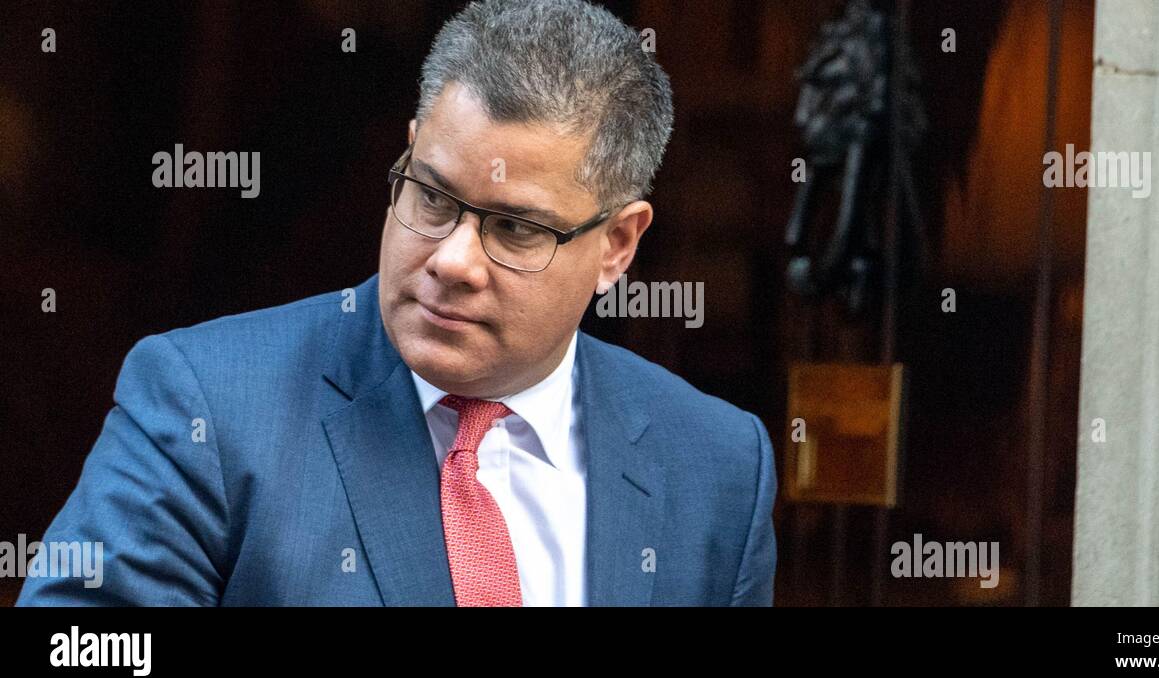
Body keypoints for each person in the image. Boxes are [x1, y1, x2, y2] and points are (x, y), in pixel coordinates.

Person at [18, 0, 776, 607]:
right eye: (433, 195)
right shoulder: (207, 406)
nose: (451, 260)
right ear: (410, 150)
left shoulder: (716, 467)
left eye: (514, 228)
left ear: (617, 245)